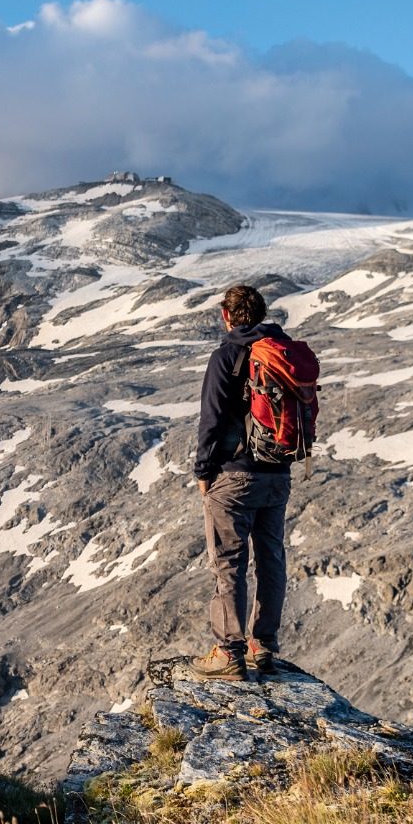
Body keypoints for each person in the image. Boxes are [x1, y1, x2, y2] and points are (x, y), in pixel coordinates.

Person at [190, 284, 295, 680]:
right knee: (271, 558)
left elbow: (211, 419)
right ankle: (262, 645)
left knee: (229, 562)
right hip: (278, 473)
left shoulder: (227, 355)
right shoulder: (282, 352)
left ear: (226, 316)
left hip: (235, 477)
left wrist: (203, 471)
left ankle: (229, 653)